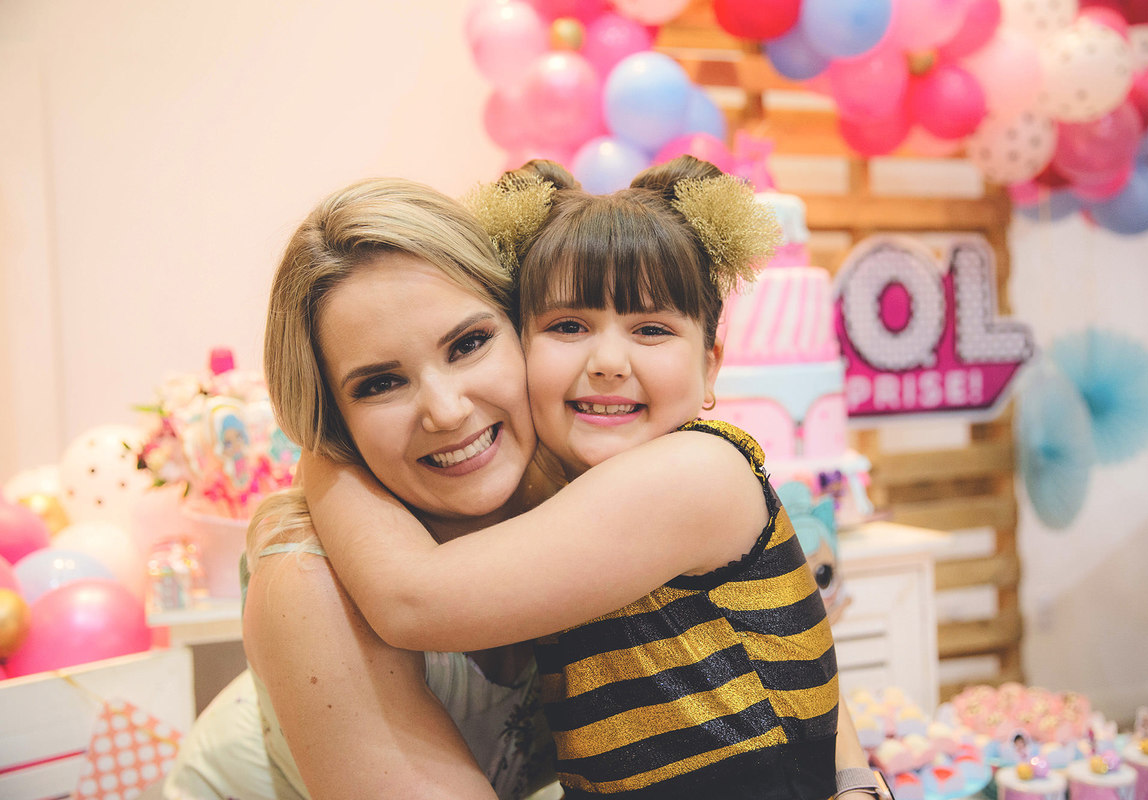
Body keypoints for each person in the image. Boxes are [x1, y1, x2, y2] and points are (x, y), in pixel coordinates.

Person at [303, 157, 879, 800]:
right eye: (567, 327)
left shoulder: (695, 472)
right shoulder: (566, 491)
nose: (607, 362)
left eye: (651, 329)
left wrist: (321, 458)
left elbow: (414, 602)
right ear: (521, 342)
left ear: (710, 367)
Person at [162, 177, 559, 800]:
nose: (446, 411)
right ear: (332, 421)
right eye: (379, 384)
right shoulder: (308, 581)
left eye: (470, 343)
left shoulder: (580, 488)